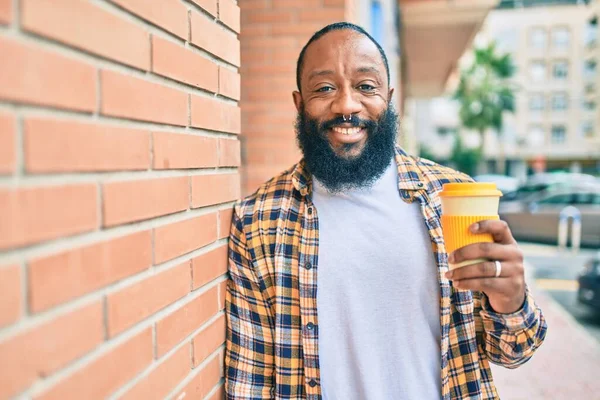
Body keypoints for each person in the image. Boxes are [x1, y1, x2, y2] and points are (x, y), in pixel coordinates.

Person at [224, 22, 547, 400]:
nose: (346, 105)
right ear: (299, 105)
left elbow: (513, 350)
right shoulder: (258, 221)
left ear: (388, 99)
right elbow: (250, 382)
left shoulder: (450, 197)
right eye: (324, 88)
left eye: (366, 86)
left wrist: (511, 301)